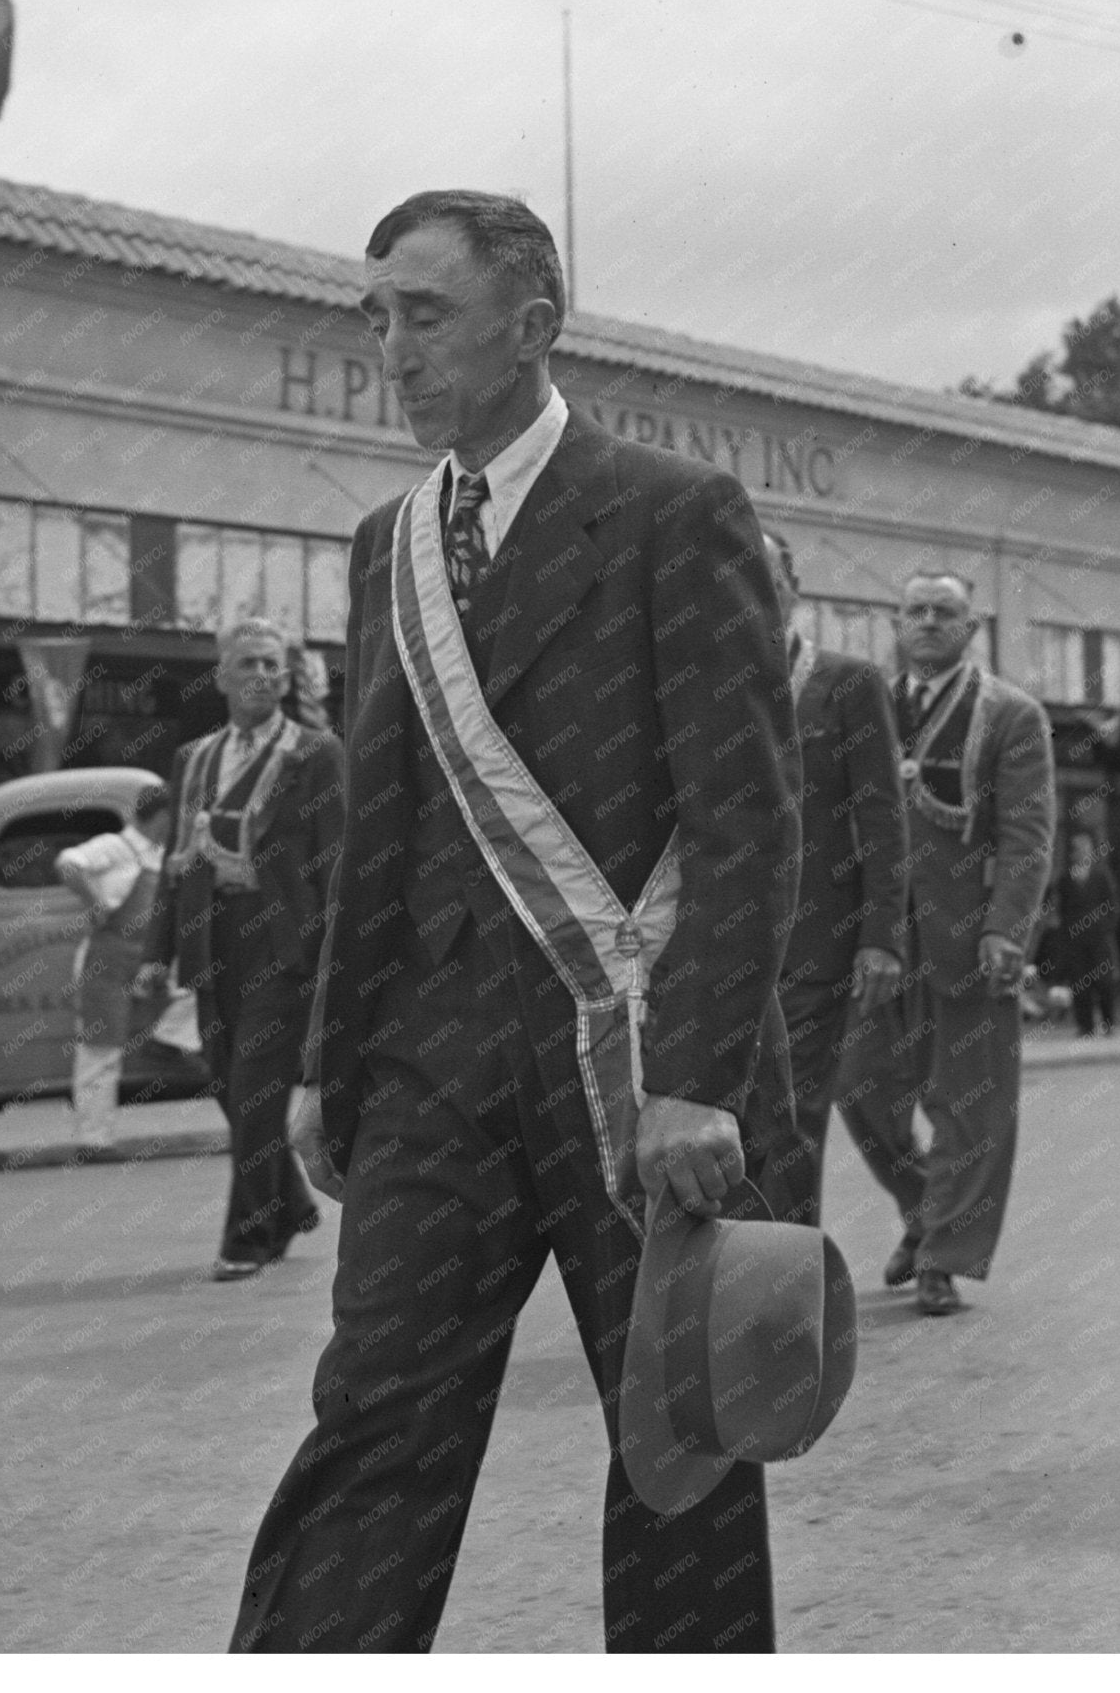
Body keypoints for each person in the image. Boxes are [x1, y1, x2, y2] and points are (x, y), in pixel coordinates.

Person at [231, 190, 803, 1653]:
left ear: (533, 326)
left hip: (628, 1064)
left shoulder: (676, 514)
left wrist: (700, 1079)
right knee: (373, 1430)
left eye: (423, 314)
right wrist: (327, 1061)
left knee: (679, 1453)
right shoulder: (389, 544)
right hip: (432, 1073)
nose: (391, 349)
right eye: (373, 316)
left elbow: (747, 822)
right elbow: (381, 829)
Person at [834, 571, 1055, 1318]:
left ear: (972, 628)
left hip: (969, 938)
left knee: (971, 1105)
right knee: (859, 1087)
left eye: (945, 613)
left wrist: (1006, 929)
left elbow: (1026, 834)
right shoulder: (865, 707)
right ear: (896, 625)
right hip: (877, 940)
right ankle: (928, 1211)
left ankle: (944, 1258)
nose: (928, 622)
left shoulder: (1011, 715)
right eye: (915, 611)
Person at [133, 619, 344, 1280]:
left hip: (282, 945)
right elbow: (176, 862)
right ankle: (290, 1208)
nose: (262, 676)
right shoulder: (193, 758)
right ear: (221, 676)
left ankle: (248, 1239)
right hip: (211, 941)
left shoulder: (315, 754)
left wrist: (331, 952)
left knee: (255, 1091)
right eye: (248, 664)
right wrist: (154, 953)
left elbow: (337, 861)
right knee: (228, 1086)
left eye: (273, 666)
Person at [759, 528, 908, 1228]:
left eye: (767, 571)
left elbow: (883, 819)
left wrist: (882, 937)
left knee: (793, 1118)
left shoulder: (847, 684)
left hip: (815, 944)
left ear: (795, 587)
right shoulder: (695, 683)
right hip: (711, 948)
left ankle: (788, 1289)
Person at [55, 782, 174, 1151]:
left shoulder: (160, 854)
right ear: (163, 815)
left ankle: (167, 1043)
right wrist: (94, 903)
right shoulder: (116, 847)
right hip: (105, 961)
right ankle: (94, 1140)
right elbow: (68, 863)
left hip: (142, 962)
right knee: (100, 1050)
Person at [1041, 828, 1120, 1038]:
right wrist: (1064, 934)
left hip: (1098, 938)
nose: (1082, 852)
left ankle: (1108, 1022)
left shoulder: (1101, 875)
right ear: (1072, 853)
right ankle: (1085, 1025)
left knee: (1104, 981)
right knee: (1080, 982)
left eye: (1085, 848)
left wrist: (1106, 927)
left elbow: (1112, 904)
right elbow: (1060, 909)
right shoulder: (1065, 879)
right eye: (1077, 849)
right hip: (1075, 940)